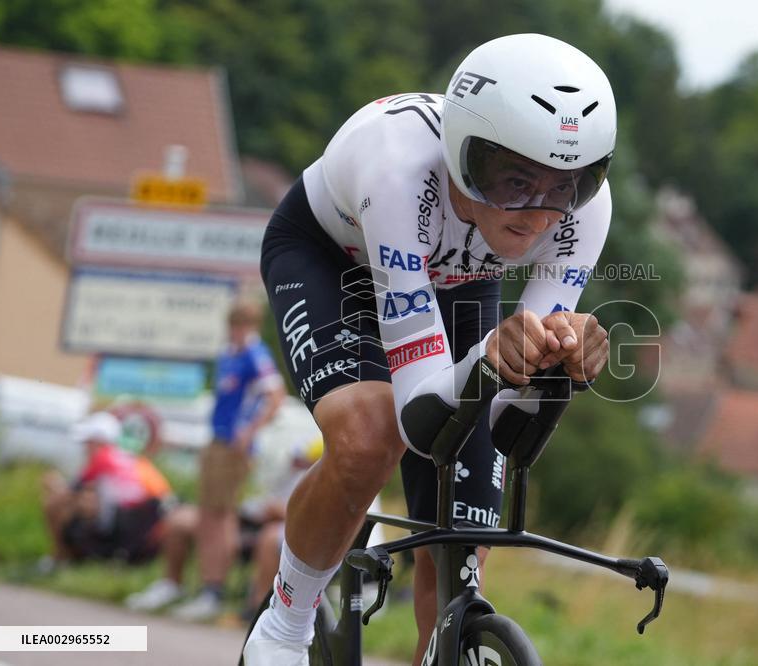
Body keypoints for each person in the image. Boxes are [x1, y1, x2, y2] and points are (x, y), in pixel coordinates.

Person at [244, 33, 614, 666]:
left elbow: (501, 417)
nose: (537, 215)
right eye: (515, 181)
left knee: (466, 526)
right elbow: (420, 419)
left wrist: (559, 370)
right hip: (336, 261)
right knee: (368, 439)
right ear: (463, 155)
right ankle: (283, 626)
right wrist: (497, 363)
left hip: (461, 283)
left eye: (565, 187)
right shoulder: (399, 170)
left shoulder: (586, 210)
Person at [170, 300, 286, 621]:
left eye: (242, 326)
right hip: (216, 440)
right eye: (234, 326)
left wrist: (250, 431)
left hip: (234, 447)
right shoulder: (227, 354)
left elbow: (275, 397)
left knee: (221, 516)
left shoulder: (255, 355)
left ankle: (215, 589)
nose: (237, 332)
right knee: (207, 514)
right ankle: (205, 585)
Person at [124, 437, 325, 617]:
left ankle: (243, 605)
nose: (295, 462)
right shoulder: (288, 474)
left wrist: (278, 511)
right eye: (296, 458)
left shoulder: (319, 479)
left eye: (302, 459)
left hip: (278, 528)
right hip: (249, 517)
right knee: (180, 519)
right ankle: (173, 586)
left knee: (264, 536)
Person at [40, 411, 171, 569]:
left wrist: (55, 485)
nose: (84, 448)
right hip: (145, 523)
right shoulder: (129, 457)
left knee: (56, 503)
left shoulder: (104, 456)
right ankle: (65, 557)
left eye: (88, 442)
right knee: (79, 501)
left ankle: (61, 558)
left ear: (99, 441)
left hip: (131, 525)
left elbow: (71, 490)